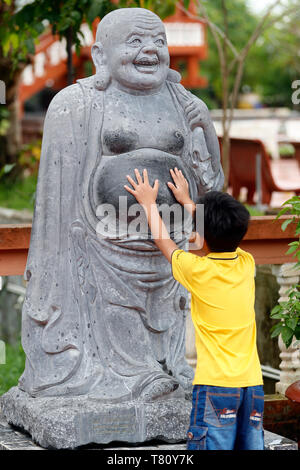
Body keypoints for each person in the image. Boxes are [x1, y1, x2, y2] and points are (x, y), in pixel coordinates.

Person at [18, 7, 224, 401]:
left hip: (169, 238)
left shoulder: (183, 102)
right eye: (135, 41)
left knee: (162, 312)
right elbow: (55, 197)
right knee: (112, 303)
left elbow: (211, 181)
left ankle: (161, 367)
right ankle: (132, 375)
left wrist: (205, 126)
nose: (150, 50)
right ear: (100, 56)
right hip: (100, 239)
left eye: (159, 41)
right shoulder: (76, 104)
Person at [124, 167, 264, 450]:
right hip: (253, 385)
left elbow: (165, 242)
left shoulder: (197, 271)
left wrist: (148, 204)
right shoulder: (247, 264)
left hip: (216, 388)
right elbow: (214, 233)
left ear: (201, 233)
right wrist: (189, 201)